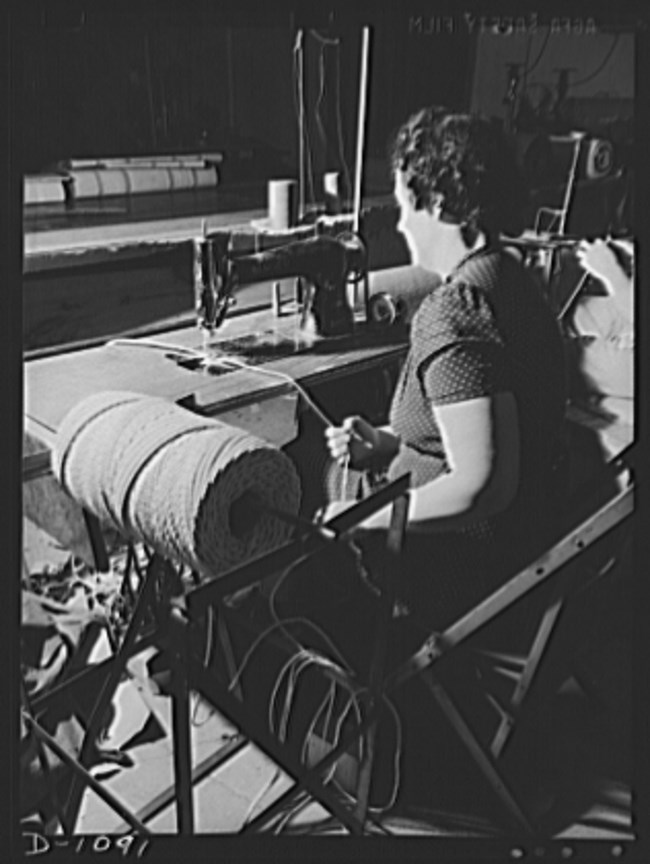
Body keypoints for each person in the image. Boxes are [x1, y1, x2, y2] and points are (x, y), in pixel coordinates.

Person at [319, 108, 568, 632]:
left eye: (406, 204)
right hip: (524, 538)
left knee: (304, 520)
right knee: (339, 481)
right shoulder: (510, 277)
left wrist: (364, 519)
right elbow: (488, 429)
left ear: (438, 203)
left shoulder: (454, 311)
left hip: (457, 572)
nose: (402, 222)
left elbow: (485, 484)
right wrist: (388, 442)